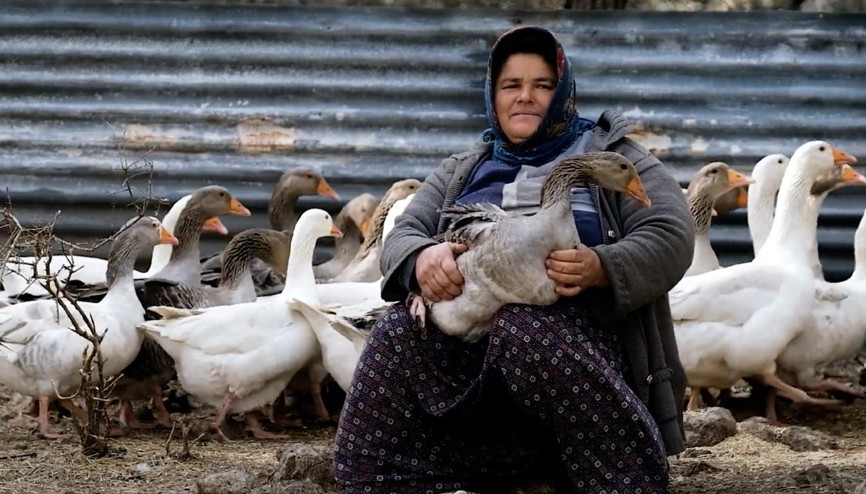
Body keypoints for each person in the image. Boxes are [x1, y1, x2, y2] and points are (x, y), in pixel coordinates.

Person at [333, 26, 694, 494]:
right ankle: (401, 478)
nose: (525, 98)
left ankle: (621, 476)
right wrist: (422, 258)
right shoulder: (462, 169)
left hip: (578, 349)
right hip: (470, 355)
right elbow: (404, 232)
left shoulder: (611, 155)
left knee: (521, 328)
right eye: (511, 86)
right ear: (492, 94)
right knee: (395, 333)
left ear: (563, 91)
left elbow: (671, 232)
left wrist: (603, 266)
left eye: (542, 85)